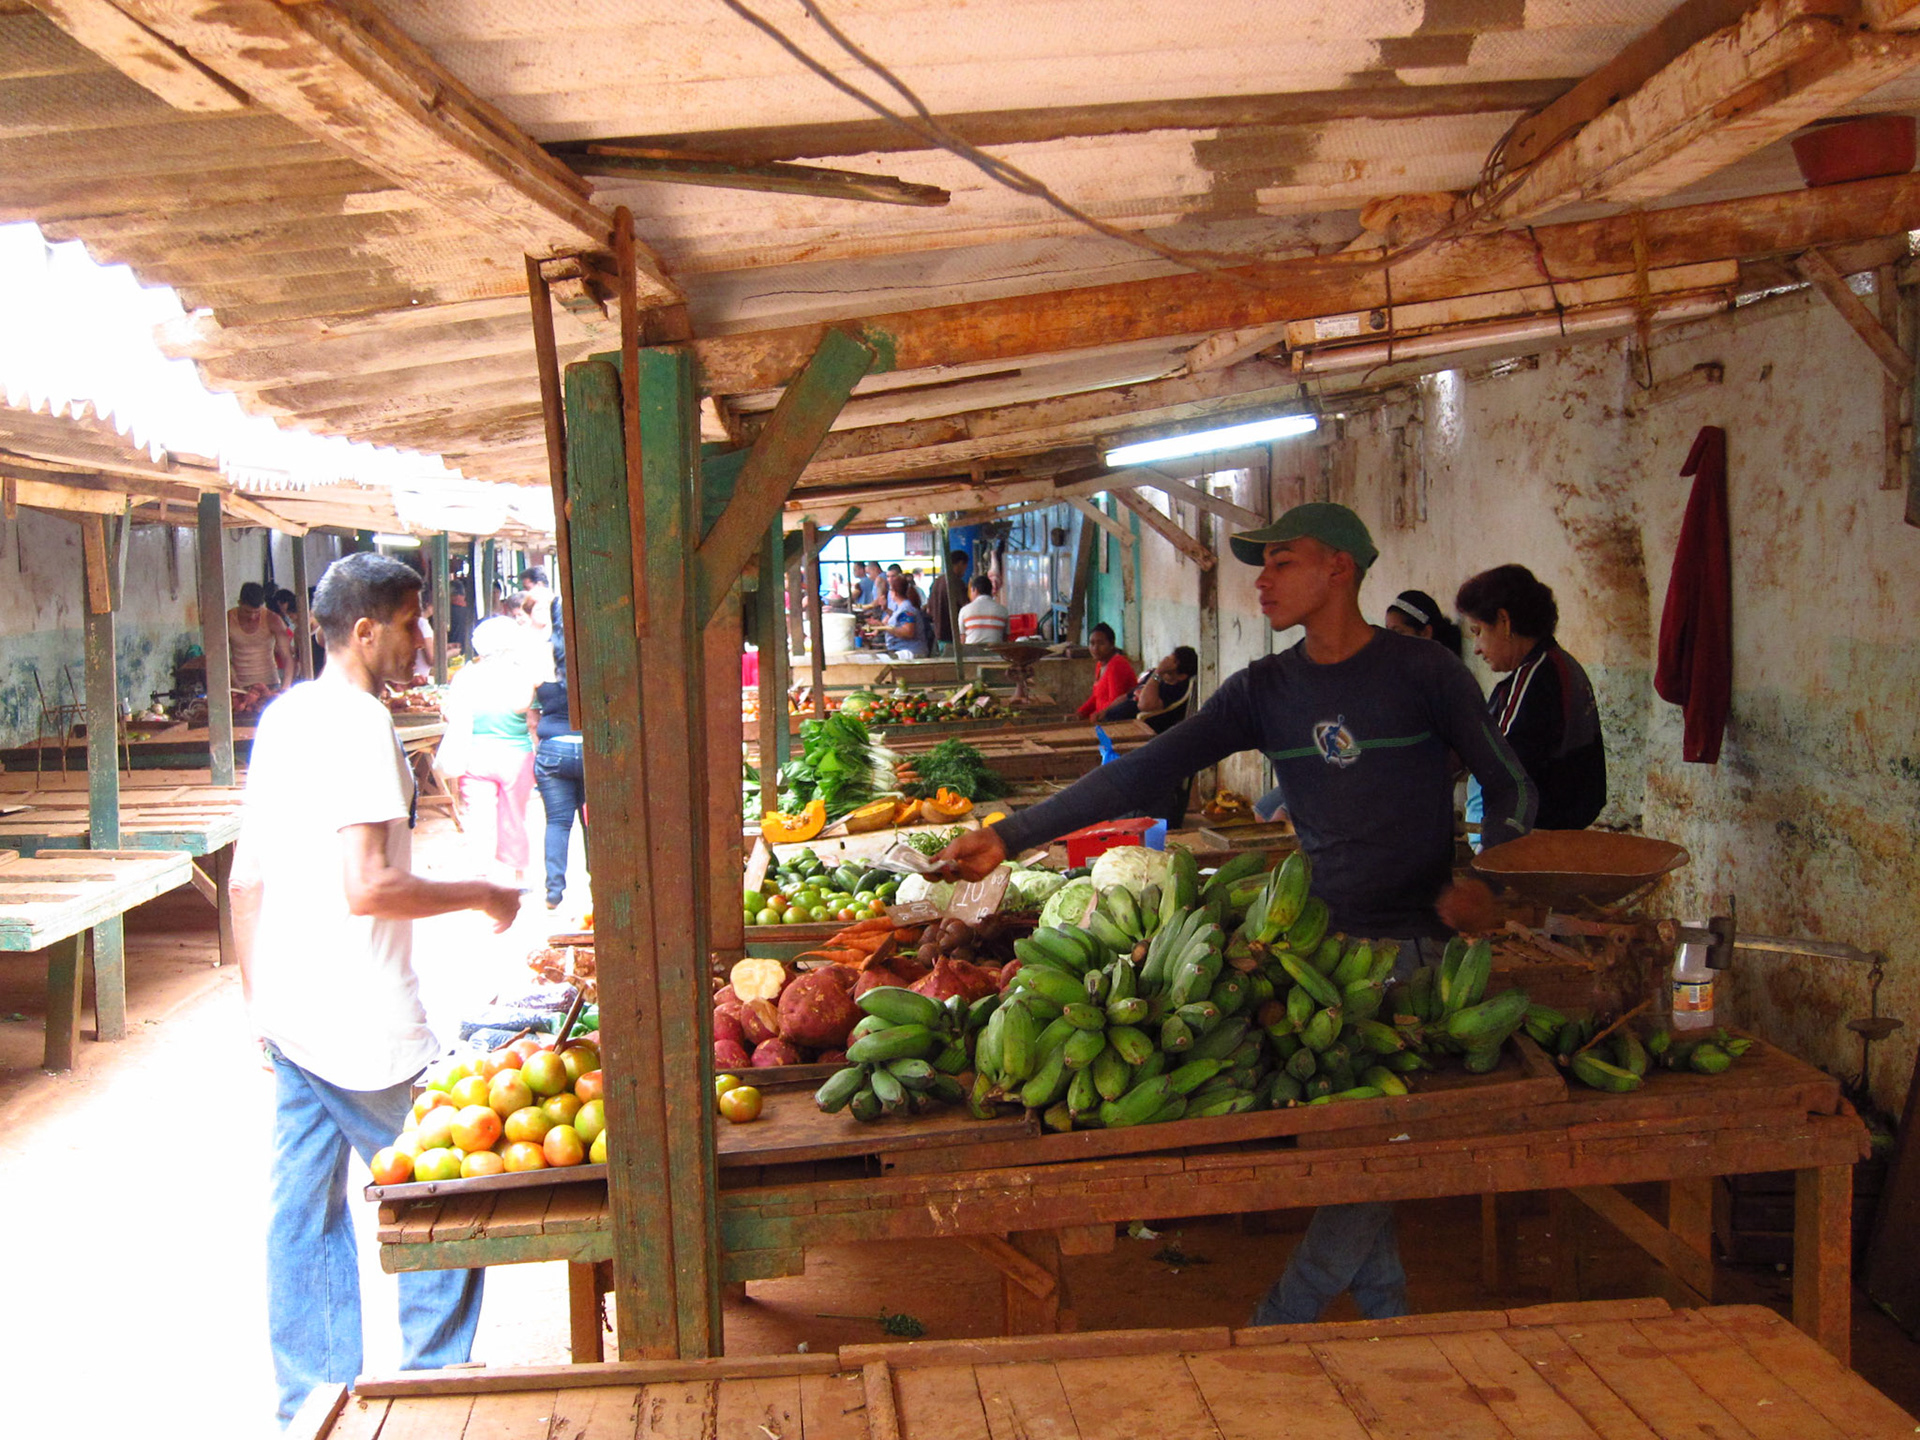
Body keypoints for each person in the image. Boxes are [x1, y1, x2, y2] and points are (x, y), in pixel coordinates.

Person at [938, 502, 1535, 1327]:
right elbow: (1140, 775)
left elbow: (1512, 785)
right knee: (1364, 1145)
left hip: (1423, 956)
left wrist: (1492, 883)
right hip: (1318, 956)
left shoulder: (1424, 674)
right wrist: (1010, 834)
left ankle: (1283, 1318)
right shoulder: (1266, 689)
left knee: (1372, 1147)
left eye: (1283, 561)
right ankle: (1388, 1317)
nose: (1263, 579)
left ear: (1339, 568)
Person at [228, 552, 520, 1427]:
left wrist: (258, 1007)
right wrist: (483, 891)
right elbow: (371, 888)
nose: (425, 638)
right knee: (444, 1193)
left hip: (293, 1014)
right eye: (413, 621)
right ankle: (432, 1390)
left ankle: (312, 1405)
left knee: (303, 1214)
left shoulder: (284, 719)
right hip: (366, 1028)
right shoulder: (359, 725)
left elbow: (248, 884)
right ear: (365, 631)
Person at [1456, 564, 1607, 831]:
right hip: (1568, 829)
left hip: (1537, 839)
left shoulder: (1531, 680)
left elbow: (1501, 771)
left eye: (1478, 631)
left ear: (1504, 622)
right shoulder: (1562, 664)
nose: (1477, 649)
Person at [440, 617, 539, 884]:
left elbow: (451, 714)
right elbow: (532, 720)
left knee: (479, 816)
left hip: (475, 756)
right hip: (516, 756)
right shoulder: (522, 676)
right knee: (515, 815)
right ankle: (518, 876)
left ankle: (480, 873)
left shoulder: (465, 676)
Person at [531, 674, 584, 911]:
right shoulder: (591, 660)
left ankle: (553, 893)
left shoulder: (540, 665)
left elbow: (529, 716)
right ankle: (600, 888)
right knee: (595, 823)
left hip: (553, 748)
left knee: (557, 823)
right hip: (591, 748)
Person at [1100, 646, 1200, 734]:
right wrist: (1105, 711)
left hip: (1133, 730)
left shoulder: (1175, 689)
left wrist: (1158, 672)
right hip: (1112, 722)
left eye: (1174, 661)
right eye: (1171, 656)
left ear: (1182, 676)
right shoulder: (1154, 676)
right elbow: (1126, 696)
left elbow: (1144, 705)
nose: (1166, 660)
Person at [230, 581, 293, 693]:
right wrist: (237, 687)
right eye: (247, 612)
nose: (252, 616)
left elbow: (287, 657)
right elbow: (220, 657)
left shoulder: (273, 619)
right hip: (239, 684)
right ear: (239, 603)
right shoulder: (228, 619)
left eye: (257, 612)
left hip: (270, 683)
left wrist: (284, 688)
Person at [1077, 623, 1138, 720]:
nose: (1095, 648)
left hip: (1117, 721)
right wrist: (1081, 712)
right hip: (1102, 718)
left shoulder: (1117, 664)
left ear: (1112, 644)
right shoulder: (1100, 664)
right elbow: (1096, 697)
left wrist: (1097, 715)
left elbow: (1116, 704)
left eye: (1101, 643)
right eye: (1092, 643)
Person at [1382, 589, 1464, 657]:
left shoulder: (1438, 670)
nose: (1389, 641)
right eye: (1387, 632)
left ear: (1425, 633)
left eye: (1398, 632)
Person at [925, 548, 970, 650]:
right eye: (965, 566)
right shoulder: (956, 582)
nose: (965, 570)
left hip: (939, 634)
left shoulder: (937, 582)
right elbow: (966, 606)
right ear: (960, 563)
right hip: (952, 633)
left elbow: (929, 609)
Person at [882, 572, 929, 659]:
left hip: (910, 651)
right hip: (901, 648)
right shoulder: (900, 608)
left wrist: (886, 628)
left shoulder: (906, 609)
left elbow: (908, 632)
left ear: (894, 592)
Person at [957, 573, 1010, 647]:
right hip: (996, 655)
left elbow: (962, 639)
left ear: (975, 590)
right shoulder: (1003, 611)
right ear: (991, 591)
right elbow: (1005, 639)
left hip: (971, 655)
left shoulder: (964, 611)